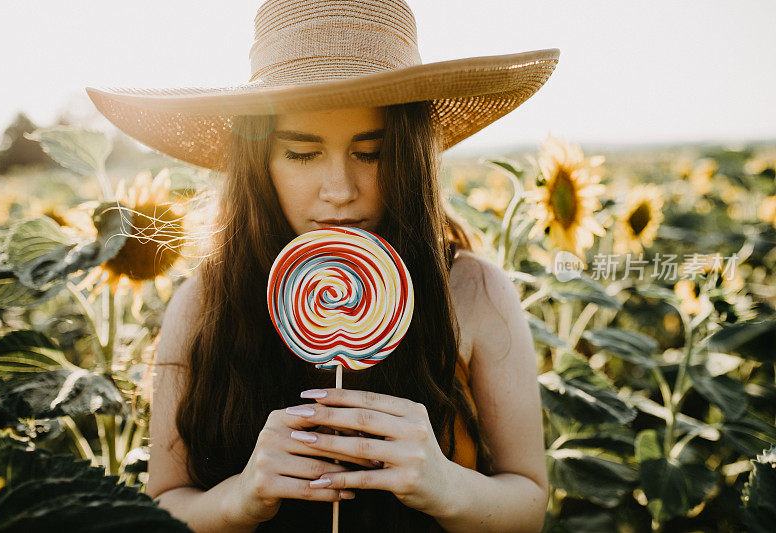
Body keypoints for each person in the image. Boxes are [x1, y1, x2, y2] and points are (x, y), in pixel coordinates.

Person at [85, 1, 559, 531]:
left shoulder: (472, 291)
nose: (339, 192)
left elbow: (528, 504)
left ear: (410, 153)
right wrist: (240, 498)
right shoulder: (205, 301)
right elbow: (164, 503)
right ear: (259, 161)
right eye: (301, 154)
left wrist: (446, 487)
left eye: (372, 152)